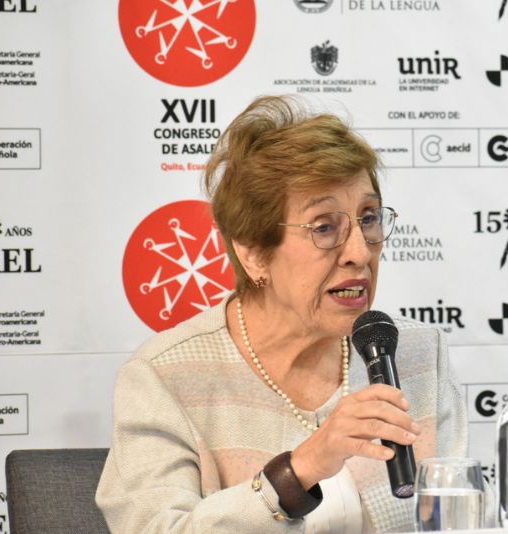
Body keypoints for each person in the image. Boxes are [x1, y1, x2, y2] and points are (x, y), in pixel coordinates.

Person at [97, 95, 467, 532]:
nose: (359, 252)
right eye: (324, 227)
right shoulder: (166, 377)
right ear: (252, 253)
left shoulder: (416, 355)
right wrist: (299, 471)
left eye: (368, 218)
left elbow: (456, 520)